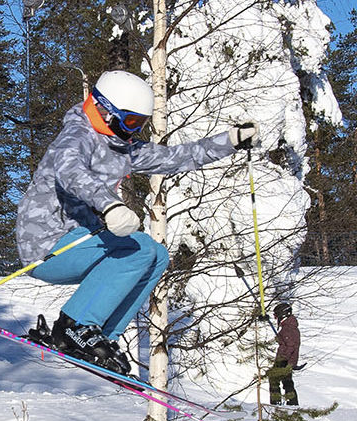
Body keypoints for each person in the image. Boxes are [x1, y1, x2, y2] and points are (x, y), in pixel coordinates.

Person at [18, 70, 257, 376]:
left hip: (79, 242)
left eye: (139, 124)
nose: (133, 131)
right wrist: (110, 205)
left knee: (157, 256)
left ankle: (98, 335)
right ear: (105, 109)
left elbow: (175, 157)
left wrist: (231, 141)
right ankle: (74, 327)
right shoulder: (76, 138)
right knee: (140, 248)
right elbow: (72, 173)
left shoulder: (120, 147)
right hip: (47, 244)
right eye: (130, 122)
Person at [268, 301, 300, 406]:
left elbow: (290, 345)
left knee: (274, 378)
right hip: (288, 359)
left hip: (285, 359)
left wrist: (285, 362)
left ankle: (277, 402)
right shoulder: (289, 325)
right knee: (287, 381)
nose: (276, 319)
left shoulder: (288, 328)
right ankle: (292, 402)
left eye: (276, 315)